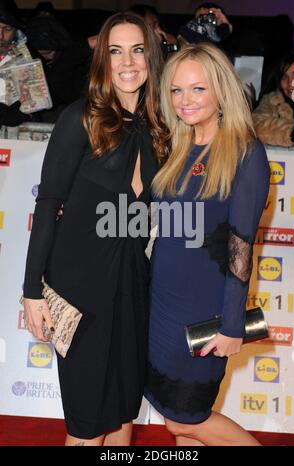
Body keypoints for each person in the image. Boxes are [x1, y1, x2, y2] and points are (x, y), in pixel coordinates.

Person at [22, 12, 168, 446]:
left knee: (123, 415)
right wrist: (32, 291)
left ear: (151, 57)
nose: (127, 62)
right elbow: (49, 204)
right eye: (115, 51)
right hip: (80, 290)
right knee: (87, 425)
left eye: (137, 50)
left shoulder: (160, 127)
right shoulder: (79, 118)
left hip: (132, 287)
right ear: (102, 59)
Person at [144, 43, 270, 446]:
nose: (185, 100)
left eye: (197, 89)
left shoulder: (245, 153)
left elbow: (241, 246)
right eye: (177, 90)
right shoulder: (177, 147)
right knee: (174, 423)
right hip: (161, 306)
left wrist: (233, 324)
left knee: (187, 420)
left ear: (221, 91)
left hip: (203, 312)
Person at [253, 51, 294, 147]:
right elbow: (255, 125)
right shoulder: (273, 100)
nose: (290, 83)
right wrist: (292, 132)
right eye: (284, 77)